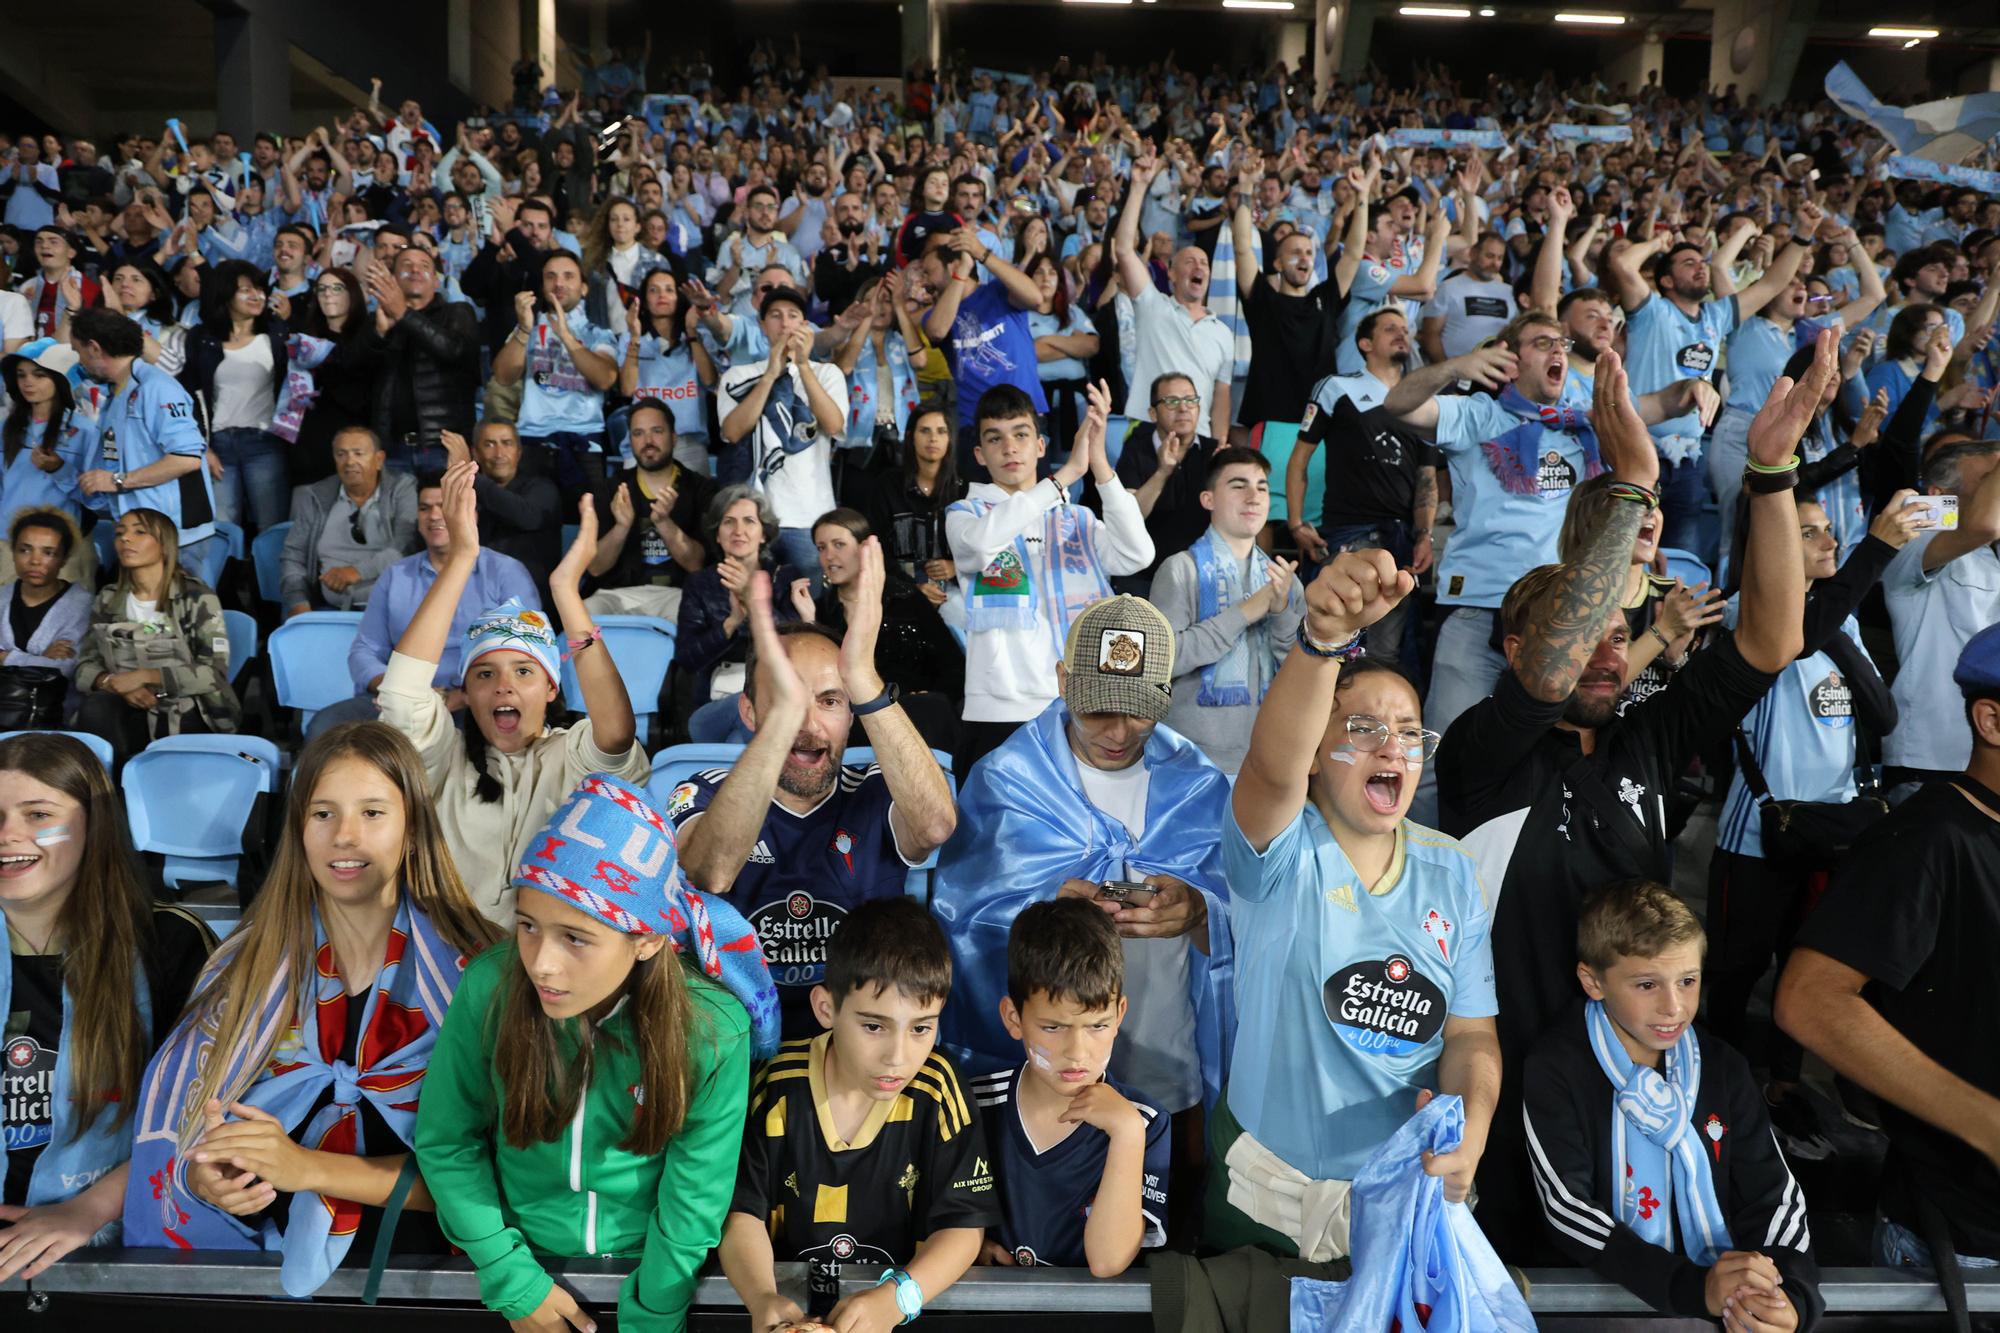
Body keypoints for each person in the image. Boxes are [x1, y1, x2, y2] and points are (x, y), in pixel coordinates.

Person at [1438, 342, 1827, 1260]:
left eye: (1625, 635)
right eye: (1588, 634)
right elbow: (1550, 671)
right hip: (1503, 1089)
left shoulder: (1644, 736)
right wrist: (1632, 483)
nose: (1611, 652)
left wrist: (1769, 473)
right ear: (1518, 643)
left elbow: (1773, 638)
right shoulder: (1482, 753)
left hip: (1635, 1092)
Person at [121, 723, 500, 1293]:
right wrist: (208, 1181)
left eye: (373, 813)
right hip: (271, 1280)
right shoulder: (242, 972)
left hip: (439, 1281)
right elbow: (189, 1141)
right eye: (323, 814)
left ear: (414, 830)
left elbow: (504, 1177)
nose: (344, 836)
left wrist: (307, 1168)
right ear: (298, 831)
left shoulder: (481, 974)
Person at [416, 773, 779, 1333]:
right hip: (518, 1270)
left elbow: (695, 1197)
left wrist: (656, 1313)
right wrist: (511, 1276)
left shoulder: (711, 1028)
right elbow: (446, 1140)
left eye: (576, 937)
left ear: (648, 940)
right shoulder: (490, 988)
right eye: (529, 927)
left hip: (655, 1277)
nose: (541, 963)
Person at [1217, 550, 1498, 1259]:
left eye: (1408, 731)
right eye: (1365, 727)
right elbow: (1270, 766)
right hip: (1267, 1200)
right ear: (1318, 748)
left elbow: (1469, 1037)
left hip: (1406, 1196)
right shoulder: (1277, 847)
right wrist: (1321, 641)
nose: (1393, 745)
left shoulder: (1452, 873)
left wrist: (1474, 1126)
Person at [935, 593, 1235, 1128]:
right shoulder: (1008, 781)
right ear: (1062, 681)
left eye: (1140, 711)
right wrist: (1044, 905)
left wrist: (1200, 913)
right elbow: (960, 917)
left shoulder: (1198, 784)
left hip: (1165, 1055)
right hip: (1044, 1073)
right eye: (1097, 709)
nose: (1118, 733)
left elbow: (1252, 918)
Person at [1777, 624, 2000, 1278]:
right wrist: (1986, 1122)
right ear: (1991, 718)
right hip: (1966, 1242)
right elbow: (1808, 1000)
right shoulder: (1930, 837)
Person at [1707, 493, 1922, 1158]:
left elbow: (1883, 716)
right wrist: (1876, 547)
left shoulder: (1843, 618)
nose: (1827, 540)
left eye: (1831, 529)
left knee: (1804, 968)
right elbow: (1793, 636)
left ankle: (1784, 1089)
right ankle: (1718, 1089)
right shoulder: (1750, 611)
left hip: (1830, 829)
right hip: (1757, 835)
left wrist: (1840, 622)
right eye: (1807, 532)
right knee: (1736, 971)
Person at [671, 538, 958, 1037]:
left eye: (830, 702)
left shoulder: (873, 787)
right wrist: (782, 721)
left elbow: (935, 825)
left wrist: (862, 677)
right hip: (737, 1048)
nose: (809, 725)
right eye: (786, 700)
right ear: (749, 712)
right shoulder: (703, 789)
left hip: (859, 1049)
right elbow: (710, 872)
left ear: (852, 714)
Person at [1523, 880, 1822, 1330]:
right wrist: (1692, 1287)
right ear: (1593, 981)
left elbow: (1774, 1196)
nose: (1674, 1006)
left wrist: (1787, 1294)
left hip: (1723, 1303)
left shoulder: (1722, 1067)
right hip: (1603, 1311)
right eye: (1647, 984)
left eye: (1688, 981)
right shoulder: (1556, 1067)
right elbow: (1567, 1209)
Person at [378, 461, 647, 921]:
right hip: (452, 969)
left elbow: (617, 734)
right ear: (465, 690)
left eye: (524, 672)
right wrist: (463, 558)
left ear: (550, 688)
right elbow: (401, 694)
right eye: (484, 675)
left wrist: (566, 590)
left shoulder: (571, 754)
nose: (503, 685)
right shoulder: (445, 755)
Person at [719, 897, 997, 1333]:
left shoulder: (938, 1088)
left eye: (921, 1028)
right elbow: (742, 1213)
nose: (898, 1056)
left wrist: (899, 1298)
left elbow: (963, 1227)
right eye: (874, 1026)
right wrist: (761, 1296)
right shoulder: (773, 1085)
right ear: (826, 1008)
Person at [0, 733, 214, 1281]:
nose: (8, 837)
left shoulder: (170, 942)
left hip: (116, 1231)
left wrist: (87, 1209)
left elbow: (204, 1107)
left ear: (94, 826)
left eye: (38, 813)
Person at [947, 382, 1151, 774]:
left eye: (1021, 435)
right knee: (997, 833)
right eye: (995, 438)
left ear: (1040, 446)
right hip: (1001, 706)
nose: (1009, 448)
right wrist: (1063, 478)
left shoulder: (1077, 518)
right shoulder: (966, 513)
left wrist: (1100, 467)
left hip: (1081, 702)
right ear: (979, 454)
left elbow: (1137, 554)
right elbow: (979, 544)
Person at [970, 898, 1171, 1274]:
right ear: (1014, 1019)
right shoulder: (971, 1105)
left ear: (1119, 1016)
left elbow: (1108, 1262)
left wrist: (1126, 1134)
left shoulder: (1145, 1122)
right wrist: (965, 1242)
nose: (1077, 1053)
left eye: (1096, 1026)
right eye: (1053, 1027)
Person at [1605, 209, 1824, 547]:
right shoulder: (1651, 310)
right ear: (1666, 280)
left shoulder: (1715, 316)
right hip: (1639, 449)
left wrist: (1802, 236)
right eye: (1688, 263)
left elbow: (1772, 284)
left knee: (1679, 565)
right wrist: (1657, 242)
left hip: (1689, 461)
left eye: (1702, 261)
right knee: (1621, 552)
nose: (1701, 266)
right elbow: (1621, 265)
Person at [318, 477, 540, 738]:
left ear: (470, 515)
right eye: (425, 508)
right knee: (325, 727)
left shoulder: (505, 572)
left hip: (476, 700)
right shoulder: (396, 575)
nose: (434, 515)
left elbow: (527, 648)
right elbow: (364, 650)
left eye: (444, 506)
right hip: (399, 697)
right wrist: (394, 688)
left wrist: (466, 695)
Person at [1286, 309, 1433, 662]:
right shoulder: (1336, 387)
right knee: (1331, 639)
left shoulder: (1425, 401)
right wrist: (1294, 523)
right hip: (1347, 533)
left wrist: (1425, 534)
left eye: (1404, 329)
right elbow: (1299, 460)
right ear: (1365, 343)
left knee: (1387, 652)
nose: (1401, 334)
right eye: (1390, 329)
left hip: (1401, 539)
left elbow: (1427, 477)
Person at [1149, 448, 1303, 774]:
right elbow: (1162, 660)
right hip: (1188, 758)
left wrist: (1281, 614)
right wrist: (1244, 612)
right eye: (1238, 485)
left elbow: (1300, 672)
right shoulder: (1180, 569)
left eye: (1262, 486)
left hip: (1266, 755)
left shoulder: (1284, 580)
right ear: (1208, 500)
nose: (1254, 497)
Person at [72, 508, 238, 764]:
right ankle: (111, 792)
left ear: (164, 544)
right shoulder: (108, 597)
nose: (126, 539)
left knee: (179, 718)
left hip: (190, 704)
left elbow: (213, 673)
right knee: (97, 709)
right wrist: (113, 684)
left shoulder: (196, 596)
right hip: (124, 700)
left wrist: (146, 677)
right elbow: (84, 665)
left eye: (139, 532)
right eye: (120, 533)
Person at [1881, 437, 2000, 790]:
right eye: (1989, 478)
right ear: (1938, 494)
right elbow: (1984, 524)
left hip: (1985, 754)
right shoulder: (1910, 538)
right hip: (1931, 759)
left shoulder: (1990, 555)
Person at [717, 285, 850, 578]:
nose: (785, 322)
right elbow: (733, 431)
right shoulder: (738, 376)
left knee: (810, 614)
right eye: (775, 316)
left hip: (810, 516)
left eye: (793, 315)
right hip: (753, 519)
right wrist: (769, 376)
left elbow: (834, 425)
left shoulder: (828, 374)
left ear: (806, 325)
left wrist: (802, 365)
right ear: (763, 326)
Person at [69, 309, 216, 557]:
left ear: (94, 348)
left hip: (176, 537)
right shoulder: (115, 394)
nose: (79, 361)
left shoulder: (157, 387)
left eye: (78, 351)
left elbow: (187, 459)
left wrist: (117, 480)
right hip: (137, 533)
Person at [1229, 153, 1348, 440]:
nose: (1303, 257)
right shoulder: (1262, 300)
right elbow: (1243, 247)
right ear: (1278, 264)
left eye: (1308, 252)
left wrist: (1364, 194)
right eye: (1295, 252)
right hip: (1269, 422)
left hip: (1320, 423)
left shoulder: (1326, 299)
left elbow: (1353, 253)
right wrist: (1246, 188)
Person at [1115, 156, 1232, 441]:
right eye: (1190, 261)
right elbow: (1123, 250)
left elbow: (1221, 398)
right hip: (1147, 431)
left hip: (1199, 439)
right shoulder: (1153, 305)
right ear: (1171, 274)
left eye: (1204, 263)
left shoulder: (1224, 333)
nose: (1199, 267)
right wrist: (1139, 187)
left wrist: (1220, 442)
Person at [672, 484, 809, 708]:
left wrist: (752, 599)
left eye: (749, 521)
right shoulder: (699, 583)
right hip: (718, 696)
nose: (738, 530)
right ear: (717, 534)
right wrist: (730, 624)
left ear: (764, 534)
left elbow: (796, 646)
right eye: (728, 521)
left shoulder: (785, 577)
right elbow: (687, 658)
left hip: (777, 689)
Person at [179, 257, 290, 534]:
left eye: (260, 289)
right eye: (246, 290)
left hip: (265, 443)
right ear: (226, 294)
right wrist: (203, 447)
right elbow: (189, 395)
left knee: (271, 529)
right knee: (221, 531)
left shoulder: (277, 336)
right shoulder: (202, 338)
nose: (257, 296)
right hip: (218, 444)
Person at [918, 225, 1049, 459]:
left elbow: (1036, 298)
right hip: (976, 427)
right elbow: (937, 331)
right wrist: (962, 272)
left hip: (1026, 418)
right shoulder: (935, 314)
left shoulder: (999, 291)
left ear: (951, 265)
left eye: (929, 271)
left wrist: (982, 254)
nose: (925, 280)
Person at [585, 400, 717, 622]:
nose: (648, 441)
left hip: (677, 594)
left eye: (657, 431)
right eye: (638, 433)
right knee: (585, 614)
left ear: (673, 437)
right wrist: (621, 527)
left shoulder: (701, 490)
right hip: (616, 594)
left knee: (691, 616)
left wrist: (665, 523)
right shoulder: (611, 489)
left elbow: (696, 565)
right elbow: (595, 568)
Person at [359, 246, 479, 476]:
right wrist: (379, 334)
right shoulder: (378, 320)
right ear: (393, 279)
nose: (415, 270)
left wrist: (403, 313)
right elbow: (356, 371)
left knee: (444, 513)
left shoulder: (457, 312)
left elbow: (454, 350)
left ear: (436, 281)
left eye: (424, 266)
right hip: (391, 448)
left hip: (443, 446)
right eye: (406, 265)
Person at [1094, 371, 1221, 589]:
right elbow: (1129, 518)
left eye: (1190, 400)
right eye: (1172, 401)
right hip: (1144, 574)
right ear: (1153, 413)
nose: (1183, 408)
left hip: (1203, 571)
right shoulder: (1136, 449)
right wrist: (1162, 472)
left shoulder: (1215, 452)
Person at [279, 426, 418, 616]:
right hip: (329, 611)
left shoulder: (402, 488)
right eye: (341, 454)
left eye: (358, 453)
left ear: (379, 460)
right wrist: (299, 605)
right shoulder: (316, 496)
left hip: (393, 611)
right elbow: (293, 555)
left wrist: (356, 572)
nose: (349, 462)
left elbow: (406, 545)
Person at [616, 267, 717, 474]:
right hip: (643, 443)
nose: (662, 295)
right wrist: (635, 337)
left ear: (679, 298)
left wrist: (691, 333)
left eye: (669, 290)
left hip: (688, 443)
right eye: (654, 290)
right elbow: (627, 389)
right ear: (643, 300)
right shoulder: (629, 339)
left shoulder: (699, 336)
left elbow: (709, 380)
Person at [445, 419, 562, 597]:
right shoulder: (466, 493)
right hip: (474, 595)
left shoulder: (542, 488)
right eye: (489, 444)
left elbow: (527, 516)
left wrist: (471, 475)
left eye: (507, 443)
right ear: (475, 453)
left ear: (519, 452)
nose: (499, 453)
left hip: (530, 602)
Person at [0, 339, 94, 556]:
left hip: (61, 548)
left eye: (39, 374)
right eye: (21, 375)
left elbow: (97, 500)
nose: (27, 382)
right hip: (7, 544)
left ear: (62, 379)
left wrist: (59, 469)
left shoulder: (84, 431)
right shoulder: (6, 427)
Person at [0, 510, 91, 725]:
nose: (35, 561)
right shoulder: (1, 597)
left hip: (51, 715)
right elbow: (50, 664)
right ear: (12, 552)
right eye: (25, 550)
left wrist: (6, 657)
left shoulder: (81, 604)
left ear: (64, 558)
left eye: (48, 553)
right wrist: (41, 657)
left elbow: (67, 667)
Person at [865, 405, 965, 601]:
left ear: (950, 439)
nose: (933, 438)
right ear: (911, 436)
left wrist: (957, 566)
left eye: (941, 431)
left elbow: (984, 548)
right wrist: (913, 587)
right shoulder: (887, 486)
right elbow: (874, 547)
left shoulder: (965, 490)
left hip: (955, 594)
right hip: (897, 594)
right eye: (924, 430)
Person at [1419, 232, 1517, 365]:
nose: (1495, 263)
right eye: (1489, 256)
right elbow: (1430, 335)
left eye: (1500, 258)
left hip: (1497, 375)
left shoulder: (1509, 292)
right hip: (1454, 377)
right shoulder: (1447, 288)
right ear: (1473, 253)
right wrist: (1446, 371)